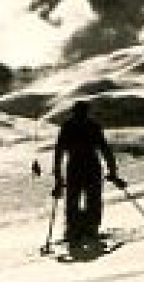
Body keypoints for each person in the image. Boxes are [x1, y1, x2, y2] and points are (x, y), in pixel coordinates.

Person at [52, 100, 124, 246]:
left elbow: (59, 152)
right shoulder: (93, 126)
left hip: (74, 168)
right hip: (92, 167)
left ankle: (74, 229)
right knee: (93, 199)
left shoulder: (67, 127)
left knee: (73, 200)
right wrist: (112, 172)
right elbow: (105, 150)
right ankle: (90, 228)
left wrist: (59, 179)